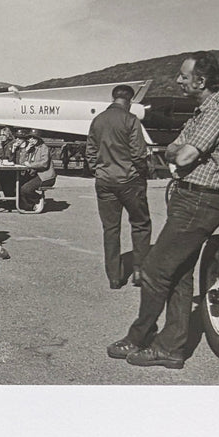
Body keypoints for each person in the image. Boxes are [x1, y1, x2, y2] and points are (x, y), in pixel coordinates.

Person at [108, 55, 219, 369]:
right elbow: (172, 147)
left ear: (201, 81)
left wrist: (180, 152)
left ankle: (139, 336)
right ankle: (173, 347)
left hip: (200, 202)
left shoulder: (218, 112)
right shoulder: (202, 112)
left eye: (183, 77)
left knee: (153, 270)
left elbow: (181, 156)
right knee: (178, 275)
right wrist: (179, 151)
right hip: (190, 198)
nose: (178, 81)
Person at [86, 84, 152, 288]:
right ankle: (140, 271)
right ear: (130, 101)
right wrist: (143, 172)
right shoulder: (131, 120)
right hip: (129, 181)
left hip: (105, 181)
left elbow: (90, 152)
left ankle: (114, 277)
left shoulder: (97, 120)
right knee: (140, 224)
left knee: (111, 229)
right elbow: (139, 154)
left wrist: (99, 170)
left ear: (113, 98)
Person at [16, 130, 57, 213]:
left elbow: (44, 163)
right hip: (35, 175)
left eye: (34, 138)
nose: (32, 140)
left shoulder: (44, 148)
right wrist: (26, 150)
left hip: (46, 176)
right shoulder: (31, 148)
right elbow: (22, 162)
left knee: (25, 189)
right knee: (18, 186)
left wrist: (30, 165)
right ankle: (30, 206)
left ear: (39, 139)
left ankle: (38, 199)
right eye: (30, 138)